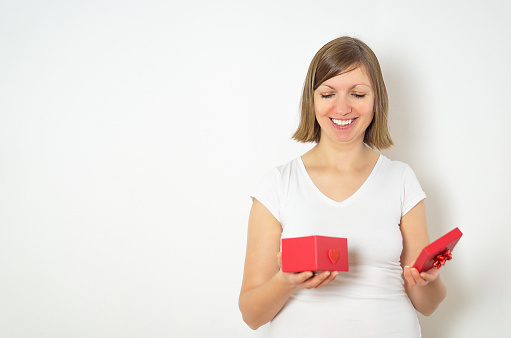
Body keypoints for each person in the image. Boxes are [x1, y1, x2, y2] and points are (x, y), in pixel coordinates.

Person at [238, 36, 447, 337]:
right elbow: (251, 315)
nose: (342, 107)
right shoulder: (279, 183)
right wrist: (286, 280)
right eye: (328, 94)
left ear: (377, 100)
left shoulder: (401, 179)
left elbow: (427, 304)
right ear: (312, 100)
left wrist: (430, 281)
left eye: (358, 94)